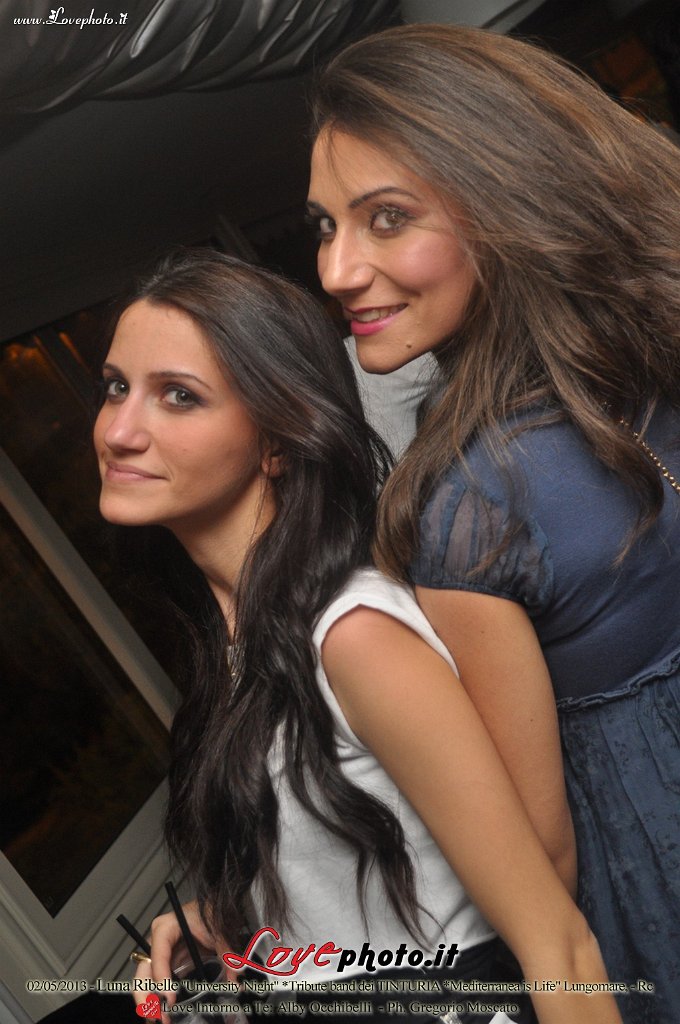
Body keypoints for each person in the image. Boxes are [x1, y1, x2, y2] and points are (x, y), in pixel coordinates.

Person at [95, 248, 621, 1024]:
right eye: (116, 387)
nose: (119, 430)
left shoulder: (353, 636)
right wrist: (228, 919)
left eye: (179, 396)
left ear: (277, 440)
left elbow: (558, 943)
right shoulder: (244, 641)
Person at [306, 21, 680, 1024]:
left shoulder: (475, 509)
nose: (336, 268)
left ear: (502, 196)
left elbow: (541, 867)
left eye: (385, 219)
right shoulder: (650, 351)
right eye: (325, 227)